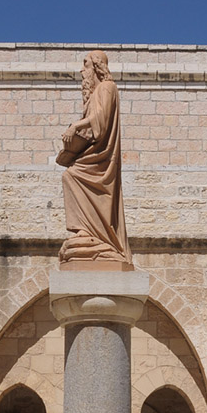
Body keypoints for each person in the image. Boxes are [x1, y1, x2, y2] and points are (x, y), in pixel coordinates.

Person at [58, 50, 132, 267]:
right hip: (92, 153)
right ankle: (85, 229)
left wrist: (76, 126)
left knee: (71, 176)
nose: (82, 70)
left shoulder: (107, 88)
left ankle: (95, 234)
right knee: (69, 175)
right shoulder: (94, 94)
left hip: (102, 158)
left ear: (97, 67)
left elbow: (101, 120)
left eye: (85, 64)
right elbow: (93, 129)